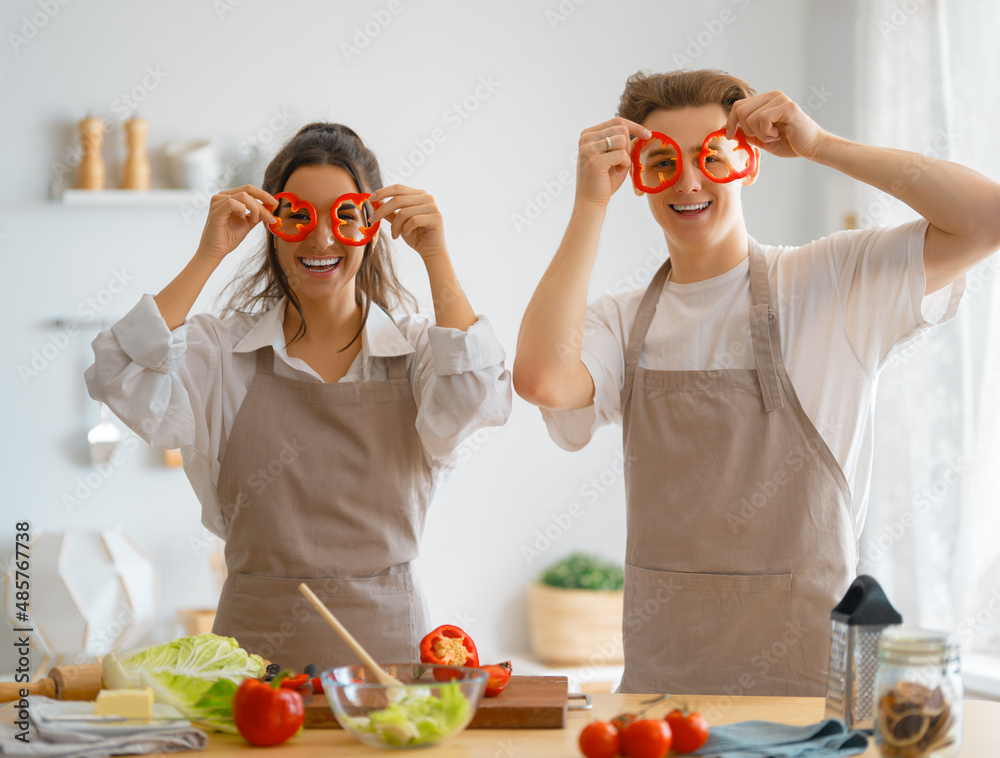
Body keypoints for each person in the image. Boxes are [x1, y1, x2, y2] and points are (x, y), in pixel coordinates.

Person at [513, 69, 1000, 695]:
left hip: (811, 693)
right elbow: (542, 379)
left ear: (749, 163)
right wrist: (588, 205)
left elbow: (986, 218)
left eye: (711, 157)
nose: (687, 181)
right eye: (661, 163)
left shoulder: (832, 283)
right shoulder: (624, 320)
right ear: (637, 178)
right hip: (663, 693)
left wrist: (822, 145)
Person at [86, 123, 511, 672]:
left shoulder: (419, 354)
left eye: (344, 216)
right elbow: (116, 368)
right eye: (299, 216)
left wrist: (436, 255)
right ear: (271, 224)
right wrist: (209, 252)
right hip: (251, 666)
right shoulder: (221, 352)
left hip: (387, 662)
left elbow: (479, 395)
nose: (321, 239)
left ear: (372, 226)